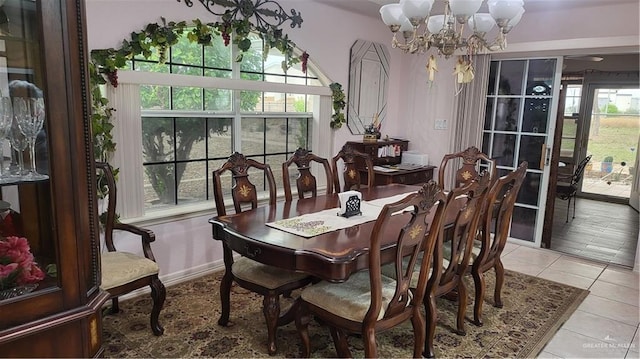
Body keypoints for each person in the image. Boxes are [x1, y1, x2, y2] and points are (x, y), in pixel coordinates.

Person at [8, 80, 48, 175]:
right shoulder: (13, 123)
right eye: (15, 99)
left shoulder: (40, 129)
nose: (20, 102)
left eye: (23, 98)